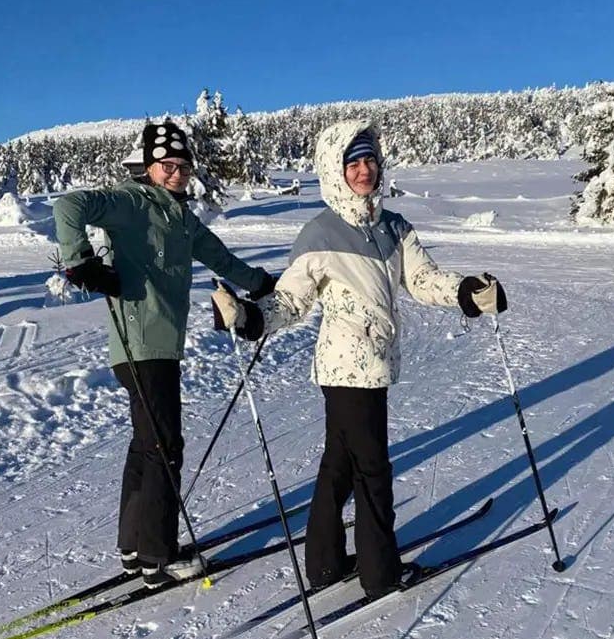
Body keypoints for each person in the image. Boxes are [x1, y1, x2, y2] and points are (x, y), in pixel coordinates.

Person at [211, 119, 505, 600]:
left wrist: (467, 292)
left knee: (341, 465)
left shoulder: (392, 227)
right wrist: (247, 317)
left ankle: (325, 563)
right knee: (373, 470)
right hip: (346, 369)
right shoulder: (320, 233)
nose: (364, 170)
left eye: (370, 160)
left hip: (376, 364)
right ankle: (380, 572)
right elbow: (289, 302)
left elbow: (424, 279)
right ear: (335, 170)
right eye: (353, 162)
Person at [53, 121, 275, 587]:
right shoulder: (132, 203)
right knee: (164, 446)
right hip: (139, 344)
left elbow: (222, 259)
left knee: (147, 443)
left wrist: (261, 284)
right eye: (166, 166)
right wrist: (80, 262)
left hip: (161, 345)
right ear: (149, 168)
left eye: (183, 166)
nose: (176, 173)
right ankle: (159, 556)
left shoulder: (182, 219)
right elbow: (69, 204)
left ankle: (133, 547)